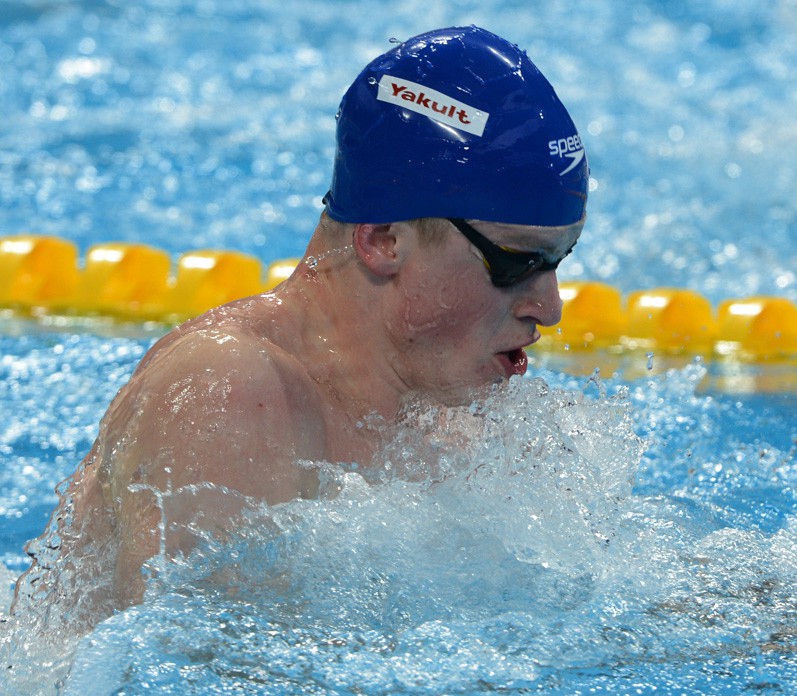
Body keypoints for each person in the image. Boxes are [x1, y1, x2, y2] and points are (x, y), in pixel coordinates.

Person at [11, 25, 589, 633]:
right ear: (384, 238)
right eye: (518, 263)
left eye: (557, 263)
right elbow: (172, 669)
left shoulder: (453, 423)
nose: (548, 307)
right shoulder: (230, 391)